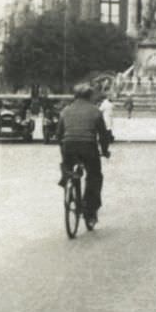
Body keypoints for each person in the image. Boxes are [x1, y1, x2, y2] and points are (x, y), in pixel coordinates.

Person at [57, 84, 111, 227]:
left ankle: (66, 175)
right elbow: (103, 135)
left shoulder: (65, 111)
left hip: (69, 147)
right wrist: (105, 151)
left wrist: (63, 150)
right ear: (90, 96)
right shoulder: (95, 111)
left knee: (67, 165)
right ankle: (90, 211)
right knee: (94, 176)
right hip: (88, 147)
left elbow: (59, 135)